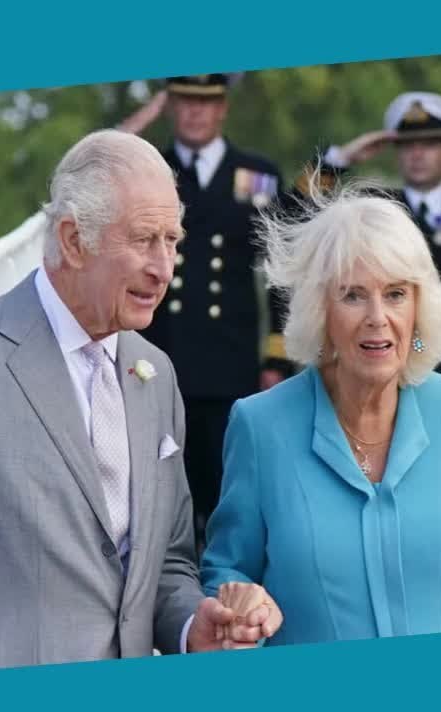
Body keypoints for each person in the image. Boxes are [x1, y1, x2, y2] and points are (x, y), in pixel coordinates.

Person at [0, 130, 281, 679]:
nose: (164, 267)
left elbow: (165, 563)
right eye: (144, 240)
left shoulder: (157, 375)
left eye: (172, 240)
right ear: (73, 240)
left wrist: (194, 626)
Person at [200, 183, 441, 645]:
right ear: (321, 311)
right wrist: (241, 607)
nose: (378, 317)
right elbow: (226, 574)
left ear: (418, 309)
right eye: (353, 295)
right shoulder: (261, 426)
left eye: (395, 294)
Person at [117, 74, 292, 543]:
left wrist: (277, 355)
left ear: (223, 108)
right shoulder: (148, 170)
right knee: (157, 493)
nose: (195, 112)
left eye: (206, 102)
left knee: (227, 493)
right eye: (185, 101)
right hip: (156, 355)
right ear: (170, 106)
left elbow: (280, 273)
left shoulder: (257, 175)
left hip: (229, 362)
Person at [300, 92, 441, 277]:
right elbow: (297, 219)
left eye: (429, 145)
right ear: (396, 155)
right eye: (407, 145)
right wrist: (340, 159)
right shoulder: (374, 204)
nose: (417, 154)